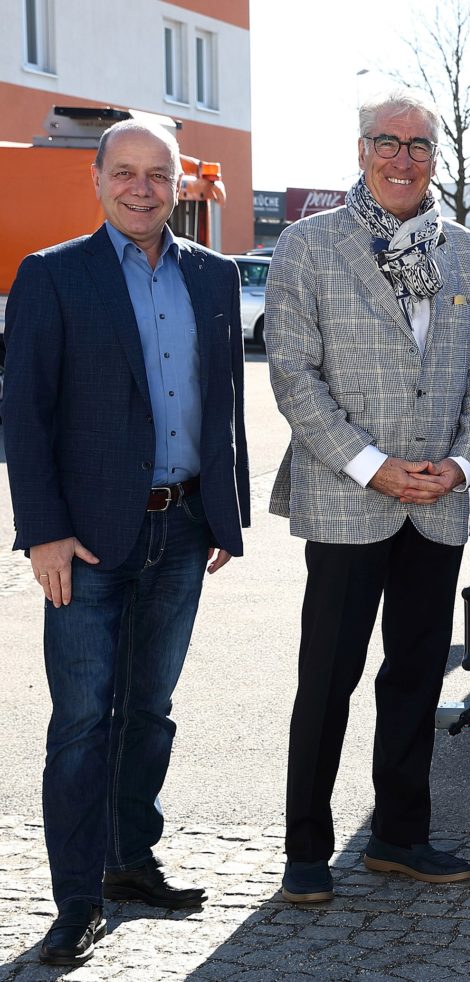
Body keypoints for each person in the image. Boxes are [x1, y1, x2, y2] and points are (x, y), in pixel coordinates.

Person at [3, 118, 249, 966]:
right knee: (82, 722)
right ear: (98, 180)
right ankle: (75, 904)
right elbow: (23, 416)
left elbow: (225, 404)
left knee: (149, 712)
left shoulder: (214, 278)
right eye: (126, 173)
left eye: (158, 174)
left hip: (183, 530)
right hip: (87, 542)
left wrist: (226, 512)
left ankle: (128, 862)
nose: (142, 188)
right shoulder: (53, 275)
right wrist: (44, 533)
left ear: (181, 182)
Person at [266, 89, 470, 904]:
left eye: (419, 146)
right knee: (326, 678)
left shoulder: (465, 251)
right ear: (361, 149)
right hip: (347, 496)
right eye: (387, 142)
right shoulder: (309, 245)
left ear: (435, 159)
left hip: (436, 500)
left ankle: (400, 836)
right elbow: (294, 375)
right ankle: (306, 849)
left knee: (412, 676)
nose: (404, 157)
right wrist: (372, 465)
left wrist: (464, 464)